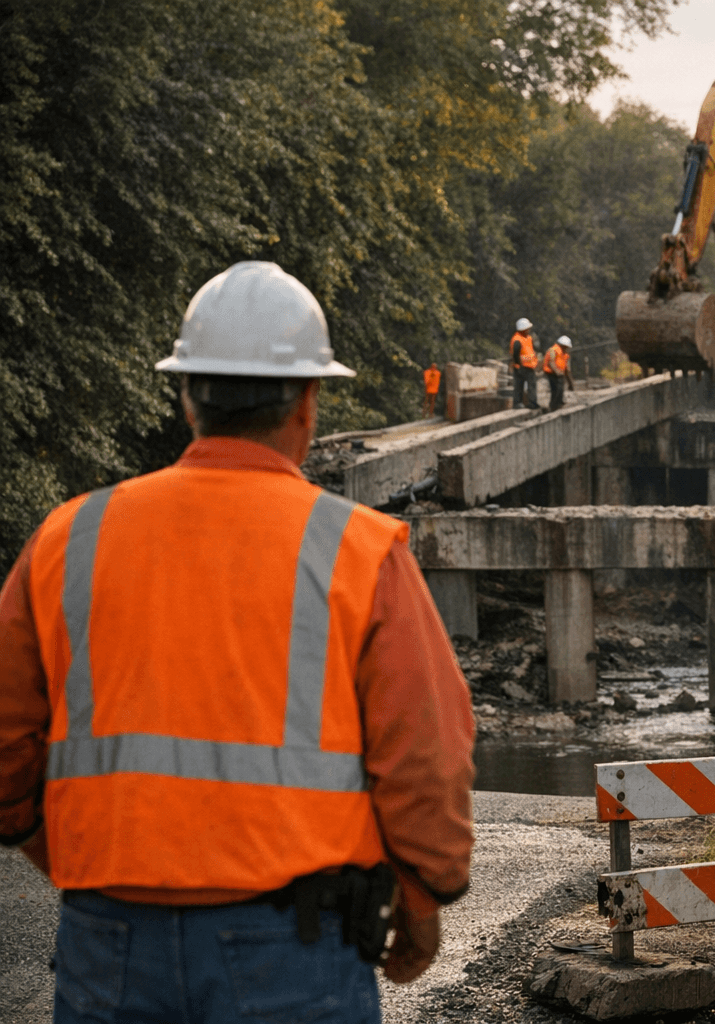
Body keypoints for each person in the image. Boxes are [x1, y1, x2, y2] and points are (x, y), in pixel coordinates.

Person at [0, 261, 476, 1024]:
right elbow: (426, 748)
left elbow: (6, 745)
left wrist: (82, 866)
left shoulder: (69, 539)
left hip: (107, 940)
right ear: (310, 402)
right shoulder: (356, 549)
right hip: (296, 946)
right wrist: (422, 895)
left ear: (188, 397)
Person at [509, 317, 539, 410]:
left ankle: (532, 403)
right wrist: (518, 365)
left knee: (532, 385)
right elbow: (515, 354)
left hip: (530, 366)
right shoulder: (517, 339)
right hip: (521, 367)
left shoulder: (528, 338)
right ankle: (517, 403)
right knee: (519, 385)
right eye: (527, 328)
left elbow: (530, 350)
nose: (529, 330)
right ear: (523, 329)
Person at [543, 335, 575, 411]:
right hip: (552, 373)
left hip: (560, 374)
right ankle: (553, 406)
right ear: (563, 345)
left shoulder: (565, 354)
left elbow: (566, 369)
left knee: (560, 389)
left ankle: (559, 403)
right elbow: (551, 362)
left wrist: (570, 383)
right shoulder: (553, 350)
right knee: (556, 389)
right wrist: (557, 371)